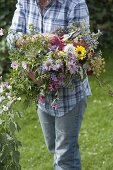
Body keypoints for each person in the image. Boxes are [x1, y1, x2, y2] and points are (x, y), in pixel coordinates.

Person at [7, 0, 92, 169]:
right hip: (42, 94)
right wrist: (37, 39)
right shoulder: (25, 2)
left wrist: (46, 74)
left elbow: (83, 54)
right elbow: (11, 39)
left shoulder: (75, 4)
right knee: (55, 148)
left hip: (69, 95)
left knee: (64, 157)